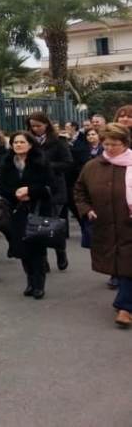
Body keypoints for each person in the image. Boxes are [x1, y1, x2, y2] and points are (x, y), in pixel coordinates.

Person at [74, 123, 132, 328]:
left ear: (125, 143)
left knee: (128, 264)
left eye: (114, 144)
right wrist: (86, 209)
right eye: (106, 144)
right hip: (105, 224)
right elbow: (79, 191)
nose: (109, 148)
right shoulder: (92, 166)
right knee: (120, 264)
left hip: (128, 224)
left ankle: (124, 307)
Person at [0, 131, 53, 300]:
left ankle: (39, 284)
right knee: (22, 247)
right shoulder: (7, 162)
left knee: (37, 247)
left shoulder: (41, 161)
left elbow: (51, 185)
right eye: (15, 142)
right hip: (17, 210)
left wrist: (30, 191)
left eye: (22, 142)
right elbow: (1, 186)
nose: (18, 145)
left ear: (30, 144)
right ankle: (30, 281)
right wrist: (15, 193)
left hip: (37, 208)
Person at [27, 112, 73, 271]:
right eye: (32, 126)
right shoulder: (28, 141)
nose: (35, 129)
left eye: (38, 125)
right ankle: (43, 259)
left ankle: (60, 251)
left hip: (55, 188)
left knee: (53, 224)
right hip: (35, 188)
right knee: (37, 225)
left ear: (46, 124)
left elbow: (67, 163)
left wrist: (47, 166)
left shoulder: (59, 141)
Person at [71, 126, 102, 250]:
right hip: (87, 181)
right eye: (88, 135)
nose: (91, 137)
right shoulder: (83, 150)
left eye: (93, 134)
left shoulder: (103, 149)